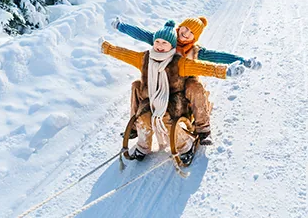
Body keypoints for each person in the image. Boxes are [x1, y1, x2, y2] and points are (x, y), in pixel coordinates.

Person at [100, 20, 246, 163]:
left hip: (178, 94)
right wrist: (107, 46)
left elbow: (204, 67)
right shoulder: (147, 56)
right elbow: (126, 51)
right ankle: (142, 145)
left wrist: (228, 70)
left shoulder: (181, 61)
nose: (160, 46)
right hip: (154, 94)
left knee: (169, 113)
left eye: (164, 43)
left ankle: (189, 142)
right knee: (143, 112)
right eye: (157, 42)